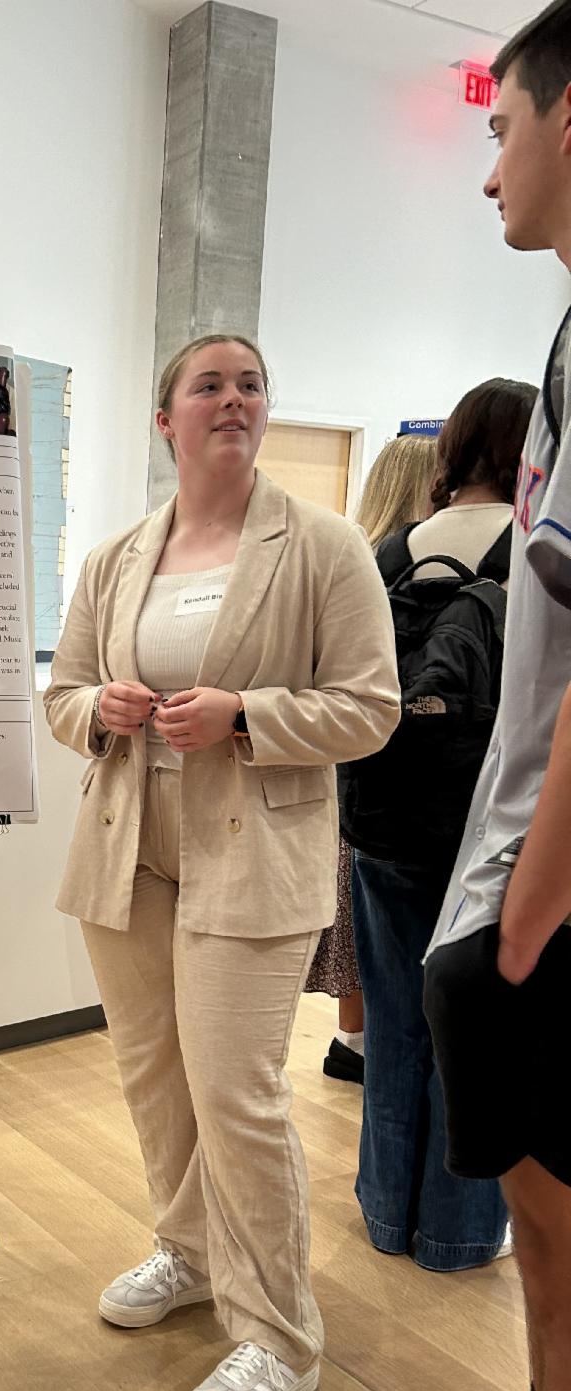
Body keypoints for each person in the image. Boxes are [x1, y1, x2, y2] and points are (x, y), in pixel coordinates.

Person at [44, 333, 399, 1391]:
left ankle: (278, 1335)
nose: (234, 398)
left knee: (239, 1096)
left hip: (254, 855)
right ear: (169, 420)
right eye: (210, 385)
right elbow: (60, 695)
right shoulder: (117, 558)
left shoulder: (326, 547)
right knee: (156, 1078)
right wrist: (96, 708)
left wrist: (247, 714)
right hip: (128, 853)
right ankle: (187, 1251)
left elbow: (371, 707)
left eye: (250, 384)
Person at [354, 7, 571, 1391]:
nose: (486, 160)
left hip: (549, 894)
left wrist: (527, 912)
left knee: (567, 1228)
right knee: (547, 1230)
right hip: (516, 870)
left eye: (507, 125)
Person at [341, 380, 533, 1274]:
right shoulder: (529, 552)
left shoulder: (386, 553)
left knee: (393, 1025)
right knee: (474, 1041)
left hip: (380, 821)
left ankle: (385, 1215)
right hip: (486, 837)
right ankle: (455, 1236)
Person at [307, 433, 439, 1085]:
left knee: (354, 917)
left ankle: (352, 1042)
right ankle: (363, 1047)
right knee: (372, 920)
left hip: (345, 778)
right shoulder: (407, 571)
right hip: (379, 780)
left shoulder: (349, 559)